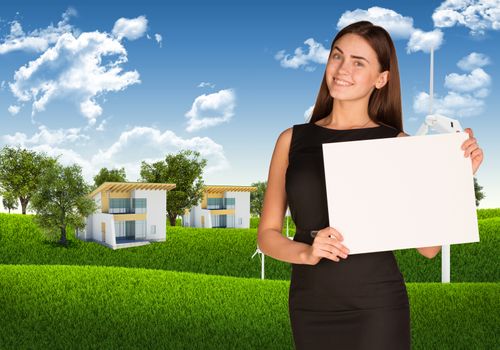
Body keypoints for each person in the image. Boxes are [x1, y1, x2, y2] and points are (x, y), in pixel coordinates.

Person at [257, 20, 484, 350]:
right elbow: (267, 236)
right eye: (337, 56)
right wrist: (307, 252)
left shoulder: (399, 144)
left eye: (358, 62)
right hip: (310, 305)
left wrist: (457, 179)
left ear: (381, 79)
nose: (342, 68)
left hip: (378, 306)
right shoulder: (291, 140)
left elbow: (428, 248)